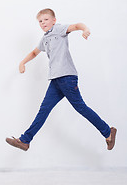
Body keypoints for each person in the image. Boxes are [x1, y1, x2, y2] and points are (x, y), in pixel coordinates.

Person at [6, 8, 117, 151]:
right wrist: (22, 63)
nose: (43, 22)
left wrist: (85, 29)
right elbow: (34, 52)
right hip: (55, 81)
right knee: (43, 110)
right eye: (40, 21)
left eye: (46, 19)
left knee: (80, 107)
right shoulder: (45, 39)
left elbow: (77, 26)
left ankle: (108, 131)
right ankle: (25, 140)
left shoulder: (59, 29)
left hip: (67, 77)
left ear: (54, 20)